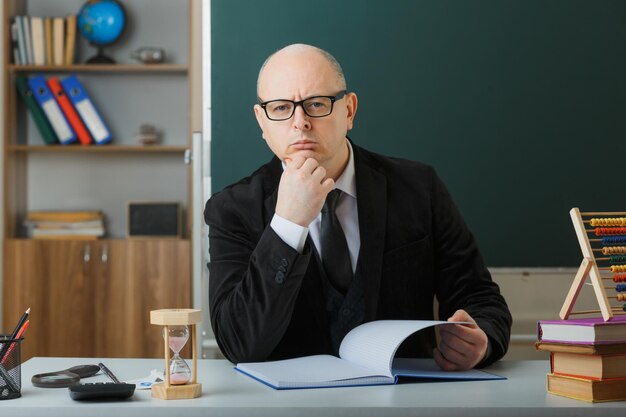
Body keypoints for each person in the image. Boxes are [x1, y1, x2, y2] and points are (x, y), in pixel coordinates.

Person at [205, 43, 511, 370]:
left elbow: (481, 299)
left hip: (405, 400)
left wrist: (482, 342)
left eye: (317, 104)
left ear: (349, 111)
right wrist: (288, 224)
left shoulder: (419, 187)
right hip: (289, 405)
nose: (300, 122)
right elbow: (238, 342)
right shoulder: (231, 210)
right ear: (262, 122)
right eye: (281, 108)